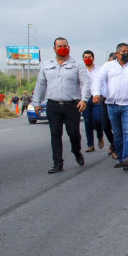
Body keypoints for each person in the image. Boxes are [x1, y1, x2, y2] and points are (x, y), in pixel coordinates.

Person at [31, 37, 90, 173]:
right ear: (54, 49)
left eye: (65, 45)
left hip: (72, 105)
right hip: (53, 105)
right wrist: (37, 102)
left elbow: (85, 82)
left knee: (73, 133)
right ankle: (58, 163)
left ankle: (76, 151)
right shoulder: (47, 65)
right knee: (55, 134)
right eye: (60, 46)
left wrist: (84, 99)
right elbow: (40, 83)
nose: (63, 47)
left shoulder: (77, 64)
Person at [92, 43, 128, 171]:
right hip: (112, 105)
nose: (126, 53)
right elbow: (98, 79)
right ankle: (121, 158)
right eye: (124, 51)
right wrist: (96, 93)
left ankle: (127, 157)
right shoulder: (108, 66)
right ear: (117, 54)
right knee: (117, 133)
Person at [81, 50, 105, 152]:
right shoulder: (81, 71)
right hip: (85, 99)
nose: (87, 59)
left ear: (93, 58)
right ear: (83, 59)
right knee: (88, 122)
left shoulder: (99, 70)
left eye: (89, 57)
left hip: (96, 98)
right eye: (85, 57)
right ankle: (90, 144)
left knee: (98, 119)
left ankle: (100, 136)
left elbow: (103, 83)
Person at [100, 52, 118, 159]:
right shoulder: (103, 71)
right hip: (104, 101)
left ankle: (116, 148)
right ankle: (113, 142)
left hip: (117, 102)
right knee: (106, 126)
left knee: (117, 127)